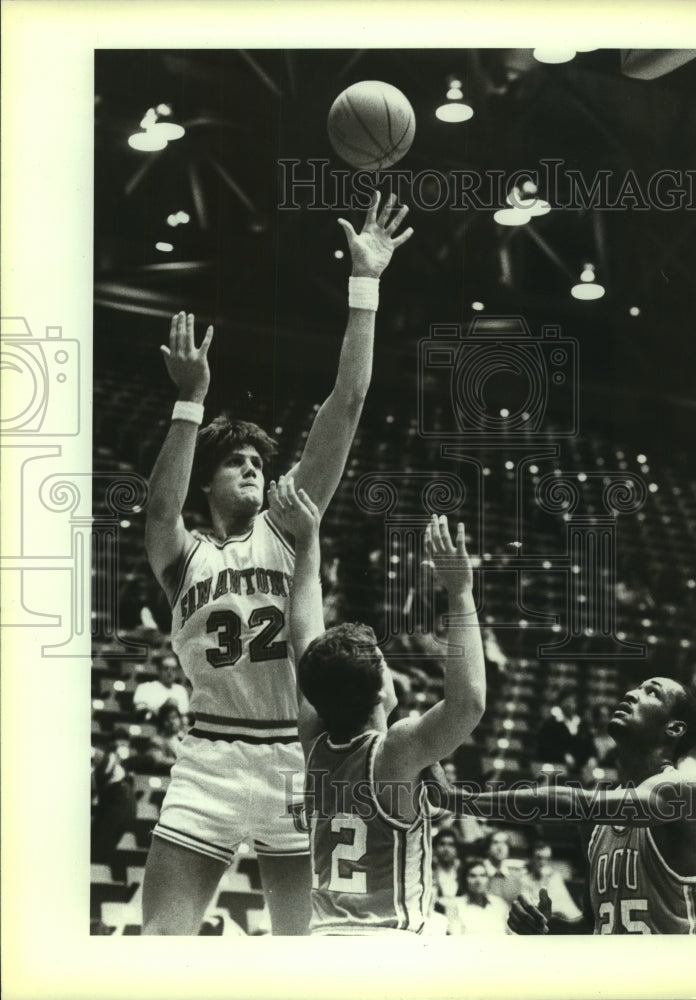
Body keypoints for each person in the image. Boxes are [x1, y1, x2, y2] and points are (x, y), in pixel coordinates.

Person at [140, 192, 413, 936]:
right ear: (210, 481)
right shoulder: (184, 555)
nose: (255, 468)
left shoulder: (288, 524)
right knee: (157, 945)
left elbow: (346, 403)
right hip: (208, 759)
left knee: (305, 954)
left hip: (299, 755)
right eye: (237, 462)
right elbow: (158, 512)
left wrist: (367, 285)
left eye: (261, 459)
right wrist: (191, 405)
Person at [271, 479, 485, 936]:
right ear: (380, 693)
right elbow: (469, 703)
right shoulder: (397, 749)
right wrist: (461, 591)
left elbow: (303, 638)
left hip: (324, 939)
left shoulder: (313, 744)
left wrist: (308, 543)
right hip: (391, 945)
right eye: (386, 665)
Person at [477, 677, 696, 935]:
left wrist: (464, 801)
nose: (631, 693)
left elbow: (577, 803)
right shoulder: (596, 825)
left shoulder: (686, 790)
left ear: (674, 729)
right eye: (637, 686)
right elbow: (592, 924)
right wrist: (544, 927)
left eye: (651, 692)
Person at [536, 684, 596, 775]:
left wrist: (592, 758)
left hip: (581, 771)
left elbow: (590, 747)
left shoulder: (583, 725)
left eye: (572, 701)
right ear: (560, 702)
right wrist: (563, 756)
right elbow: (544, 749)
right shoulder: (550, 724)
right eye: (566, 701)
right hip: (557, 769)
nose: (569, 704)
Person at [520, 841, 582, 926]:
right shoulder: (523, 879)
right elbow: (528, 906)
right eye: (539, 858)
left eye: (547, 859)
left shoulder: (554, 877)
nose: (543, 863)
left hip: (564, 921)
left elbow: (565, 907)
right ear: (531, 859)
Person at [446, 858, 509, 936]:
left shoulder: (500, 904)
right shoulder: (455, 905)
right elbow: (456, 937)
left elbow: (511, 934)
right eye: (472, 876)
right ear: (464, 880)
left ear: (488, 879)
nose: (478, 881)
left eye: (482, 875)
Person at [133, 653, 189, 718]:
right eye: (166, 668)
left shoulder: (181, 690)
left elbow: (184, 714)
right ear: (159, 670)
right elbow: (140, 713)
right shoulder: (145, 688)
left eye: (173, 669)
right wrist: (164, 707)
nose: (169, 672)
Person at [138, 702, 186, 774]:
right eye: (167, 719)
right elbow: (158, 760)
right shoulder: (156, 740)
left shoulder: (183, 738)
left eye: (174, 717)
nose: (171, 722)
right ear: (161, 723)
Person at [482, 830, 528, 905]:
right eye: (495, 843)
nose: (500, 848)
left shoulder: (515, 876)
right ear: (487, 849)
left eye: (505, 843)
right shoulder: (479, 873)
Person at [432, 829, 462, 904]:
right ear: (435, 848)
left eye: (451, 845)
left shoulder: (462, 871)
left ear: (457, 849)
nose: (446, 849)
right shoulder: (429, 870)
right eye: (442, 844)